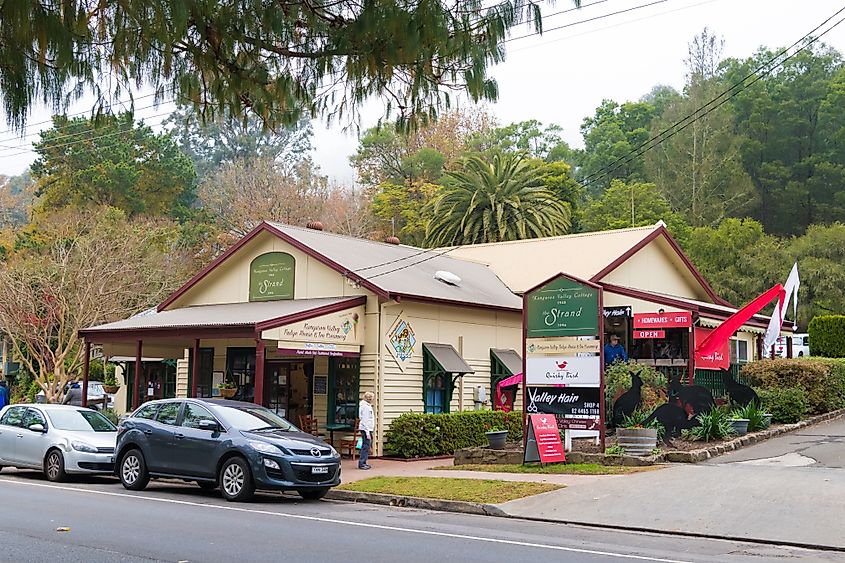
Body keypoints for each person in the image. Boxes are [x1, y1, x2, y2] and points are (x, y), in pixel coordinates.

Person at [358, 391, 375, 470]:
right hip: (366, 429)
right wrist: (367, 432)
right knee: (366, 446)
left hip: (366, 429)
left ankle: (363, 462)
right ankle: (362, 463)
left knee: (366, 445)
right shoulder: (366, 407)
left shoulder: (366, 406)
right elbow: (365, 420)